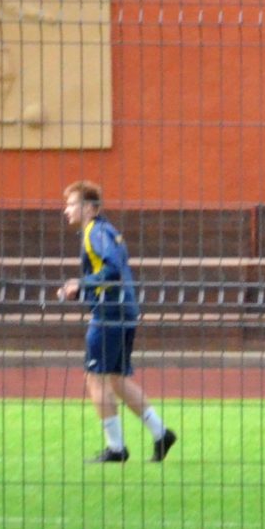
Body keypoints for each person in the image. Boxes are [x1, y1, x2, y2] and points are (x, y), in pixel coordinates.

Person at [56, 182, 175, 465]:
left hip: (110, 314)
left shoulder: (95, 232)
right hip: (123, 310)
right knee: (117, 379)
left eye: (71, 204)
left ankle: (116, 448)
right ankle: (161, 433)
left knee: (95, 378)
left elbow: (111, 269)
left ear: (88, 208)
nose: (66, 210)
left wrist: (80, 283)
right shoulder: (105, 230)